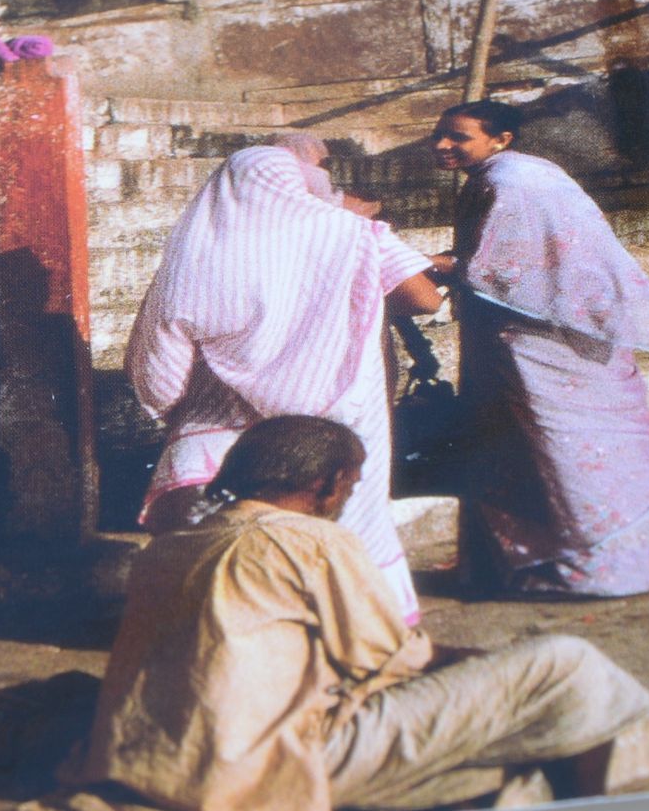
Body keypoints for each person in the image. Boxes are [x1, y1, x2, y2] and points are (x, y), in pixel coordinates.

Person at [68, 417, 649, 811]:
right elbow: (388, 657)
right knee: (567, 664)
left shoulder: (170, 545)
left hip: (152, 763)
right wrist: (476, 663)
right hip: (264, 766)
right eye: (350, 484)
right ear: (327, 485)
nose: (347, 496)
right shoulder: (313, 539)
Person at [126, 135, 441, 619]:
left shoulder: (195, 249)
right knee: (341, 519)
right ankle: (349, 620)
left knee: (217, 534)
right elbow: (425, 299)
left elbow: (161, 357)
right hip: (335, 413)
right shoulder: (354, 233)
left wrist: (169, 405)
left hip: (219, 422)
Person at [427, 98, 649, 598]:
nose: (442, 145)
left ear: (500, 139)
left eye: (458, 137)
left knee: (563, 449)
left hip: (539, 342)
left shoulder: (508, 182)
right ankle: (556, 564)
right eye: (438, 135)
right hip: (546, 333)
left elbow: (506, 270)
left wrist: (427, 262)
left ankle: (603, 568)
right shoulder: (517, 174)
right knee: (548, 446)